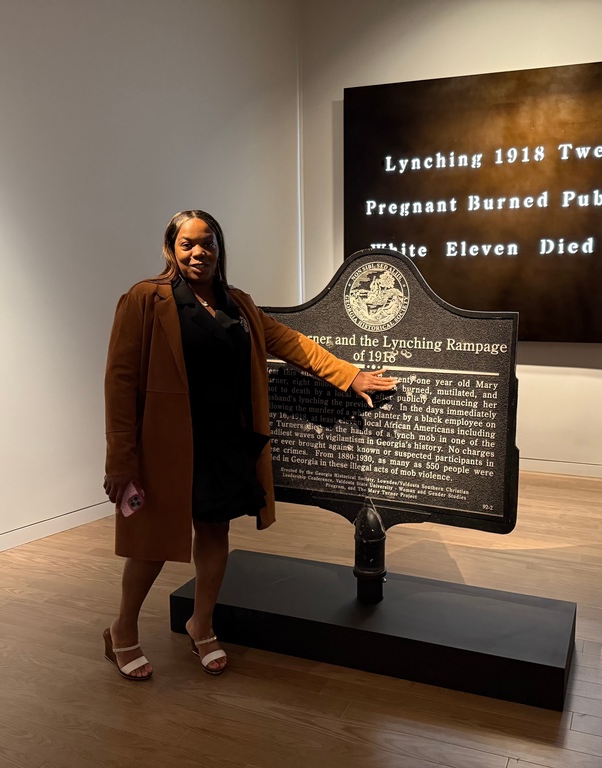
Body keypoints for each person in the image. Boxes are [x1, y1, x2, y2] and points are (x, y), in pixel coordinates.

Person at [102, 210, 398, 681]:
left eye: (208, 243)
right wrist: (121, 459)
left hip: (223, 442)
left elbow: (292, 344)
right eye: (187, 245)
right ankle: (123, 630)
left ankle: (202, 623)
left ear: (220, 249)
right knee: (151, 545)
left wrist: (349, 374)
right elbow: (119, 383)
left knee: (216, 533)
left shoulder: (238, 304)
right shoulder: (144, 300)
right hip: (165, 447)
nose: (198, 253)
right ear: (170, 250)